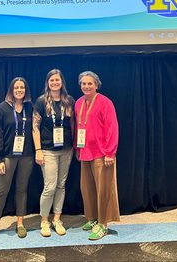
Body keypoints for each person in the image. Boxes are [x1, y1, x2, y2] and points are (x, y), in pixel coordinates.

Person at [74, 70, 120, 240]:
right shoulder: (78, 103)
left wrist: (110, 152)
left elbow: (112, 128)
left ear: (96, 85)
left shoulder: (105, 102)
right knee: (87, 189)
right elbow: (78, 128)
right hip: (85, 152)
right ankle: (93, 219)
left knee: (104, 190)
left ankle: (103, 224)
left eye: (90, 83)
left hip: (102, 154)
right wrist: (78, 149)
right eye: (84, 84)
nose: (86, 86)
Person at [0, 77, 34, 243]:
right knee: (2, 191)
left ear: (26, 90)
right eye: (16, 88)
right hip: (7, 156)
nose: (19, 90)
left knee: (22, 189)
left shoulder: (30, 108)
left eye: (22, 87)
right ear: (11, 90)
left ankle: (20, 222)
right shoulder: (1, 108)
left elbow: (35, 130)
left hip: (27, 156)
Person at [32, 69, 75, 237]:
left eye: (57, 80)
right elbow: (35, 128)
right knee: (49, 187)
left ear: (62, 82)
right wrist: (38, 151)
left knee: (61, 185)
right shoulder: (41, 101)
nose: (55, 83)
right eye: (52, 80)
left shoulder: (69, 100)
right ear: (48, 83)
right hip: (47, 150)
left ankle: (57, 219)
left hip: (66, 150)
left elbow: (72, 125)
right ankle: (44, 221)